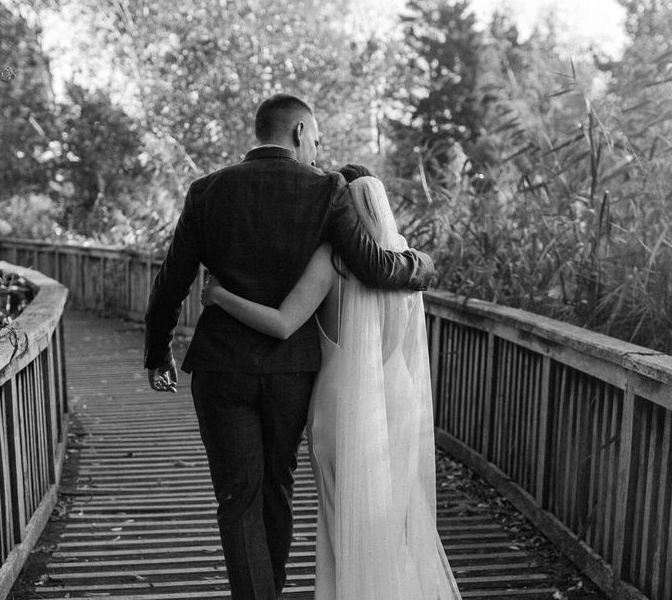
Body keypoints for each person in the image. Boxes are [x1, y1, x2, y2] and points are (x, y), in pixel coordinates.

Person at [143, 93, 435, 600]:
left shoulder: (206, 191)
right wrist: (423, 267)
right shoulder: (325, 189)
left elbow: (173, 280)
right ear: (299, 132)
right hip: (291, 372)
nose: (318, 154)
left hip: (221, 369)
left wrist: (157, 350)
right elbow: (373, 266)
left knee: (239, 497)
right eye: (316, 140)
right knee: (277, 490)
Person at [201, 168, 461, 600]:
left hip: (342, 402)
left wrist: (219, 296)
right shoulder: (406, 262)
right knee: (388, 515)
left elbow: (283, 324)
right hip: (396, 396)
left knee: (342, 514)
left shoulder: (332, 259)